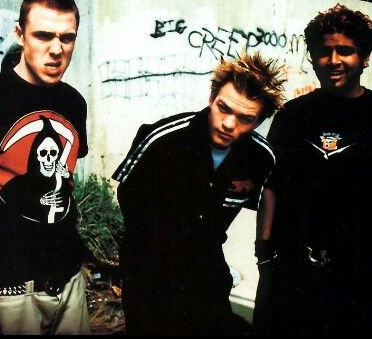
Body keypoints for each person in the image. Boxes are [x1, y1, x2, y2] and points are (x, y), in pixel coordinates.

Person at [113, 53, 286, 335]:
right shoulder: (162, 139)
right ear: (211, 98)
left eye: (245, 118)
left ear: (260, 120)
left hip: (207, 276)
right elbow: (128, 197)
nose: (229, 124)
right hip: (150, 274)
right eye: (224, 108)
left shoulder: (261, 158)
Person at [0, 0, 90, 335]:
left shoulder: (74, 102)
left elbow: (67, 180)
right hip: (9, 291)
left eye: (67, 38)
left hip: (68, 280)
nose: (56, 50)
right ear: (20, 34)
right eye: (43, 36)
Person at [253, 4, 372, 335]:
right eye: (324, 52)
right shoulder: (293, 115)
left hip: (357, 278)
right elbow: (271, 187)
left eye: (345, 51)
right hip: (293, 273)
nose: (333, 61)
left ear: (364, 57)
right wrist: (264, 254)